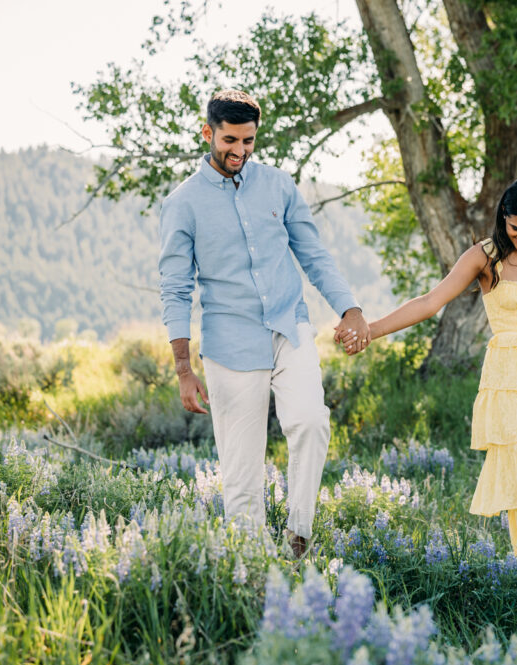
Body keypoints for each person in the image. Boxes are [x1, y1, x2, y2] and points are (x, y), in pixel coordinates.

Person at [341, 177, 517, 592]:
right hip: (509, 384)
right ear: (502, 219)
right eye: (516, 228)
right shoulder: (485, 257)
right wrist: (372, 329)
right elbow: (429, 302)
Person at [158, 89, 370, 559]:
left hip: (289, 328)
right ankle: (250, 568)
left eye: (248, 141)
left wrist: (348, 307)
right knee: (241, 470)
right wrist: (183, 369)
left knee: (311, 422)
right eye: (229, 140)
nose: (239, 151)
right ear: (207, 132)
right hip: (229, 344)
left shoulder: (277, 185)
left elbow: (312, 254)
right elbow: (175, 290)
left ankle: (299, 538)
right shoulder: (183, 203)